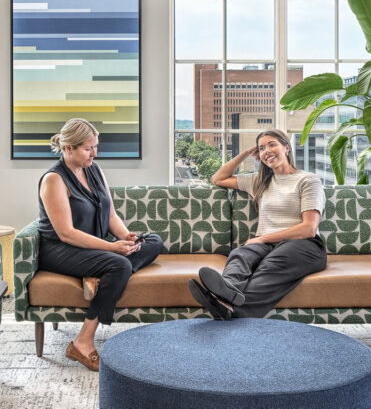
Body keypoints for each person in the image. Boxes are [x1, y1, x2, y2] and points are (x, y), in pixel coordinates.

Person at [37, 118, 163, 371]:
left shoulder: (94, 169)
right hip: (61, 250)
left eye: (96, 146)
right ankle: (82, 342)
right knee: (119, 265)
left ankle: (98, 276)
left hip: (92, 248)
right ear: (68, 148)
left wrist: (126, 239)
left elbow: (111, 215)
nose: (94, 153)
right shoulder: (54, 180)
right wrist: (112, 248)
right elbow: (66, 234)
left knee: (152, 242)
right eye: (88, 148)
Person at [188, 128, 327, 320]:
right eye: (261, 148)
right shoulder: (259, 181)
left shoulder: (307, 180)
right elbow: (218, 178)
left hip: (303, 245)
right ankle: (227, 294)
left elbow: (309, 229)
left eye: (272, 145)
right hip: (267, 245)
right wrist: (245, 153)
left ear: (286, 148)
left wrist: (261, 238)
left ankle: (230, 309)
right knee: (240, 254)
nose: (267, 151)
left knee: (270, 264)